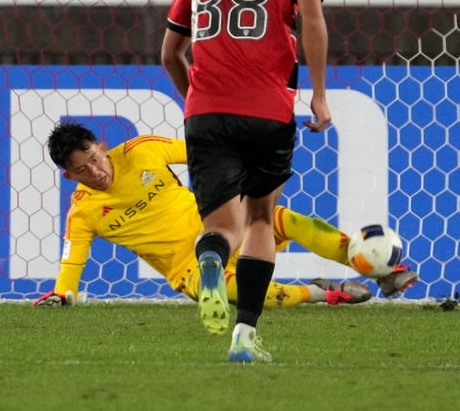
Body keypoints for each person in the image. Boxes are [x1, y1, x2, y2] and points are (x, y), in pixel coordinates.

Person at [160, 0, 332, 363]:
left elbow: (169, 52)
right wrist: (318, 94)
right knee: (260, 216)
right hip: (268, 110)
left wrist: (195, 100)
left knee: (222, 229)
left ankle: (211, 257)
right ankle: (244, 336)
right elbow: (314, 22)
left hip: (206, 111)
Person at [34, 123, 416, 310]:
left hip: (221, 225)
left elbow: (205, 153)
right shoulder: (83, 213)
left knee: (285, 219)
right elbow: (72, 263)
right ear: (69, 176)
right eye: (83, 170)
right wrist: (61, 295)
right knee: (245, 295)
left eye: (95, 159)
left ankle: (384, 272)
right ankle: (324, 294)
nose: (96, 171)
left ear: (102, 147)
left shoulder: (142, 151)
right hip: (190, 269)